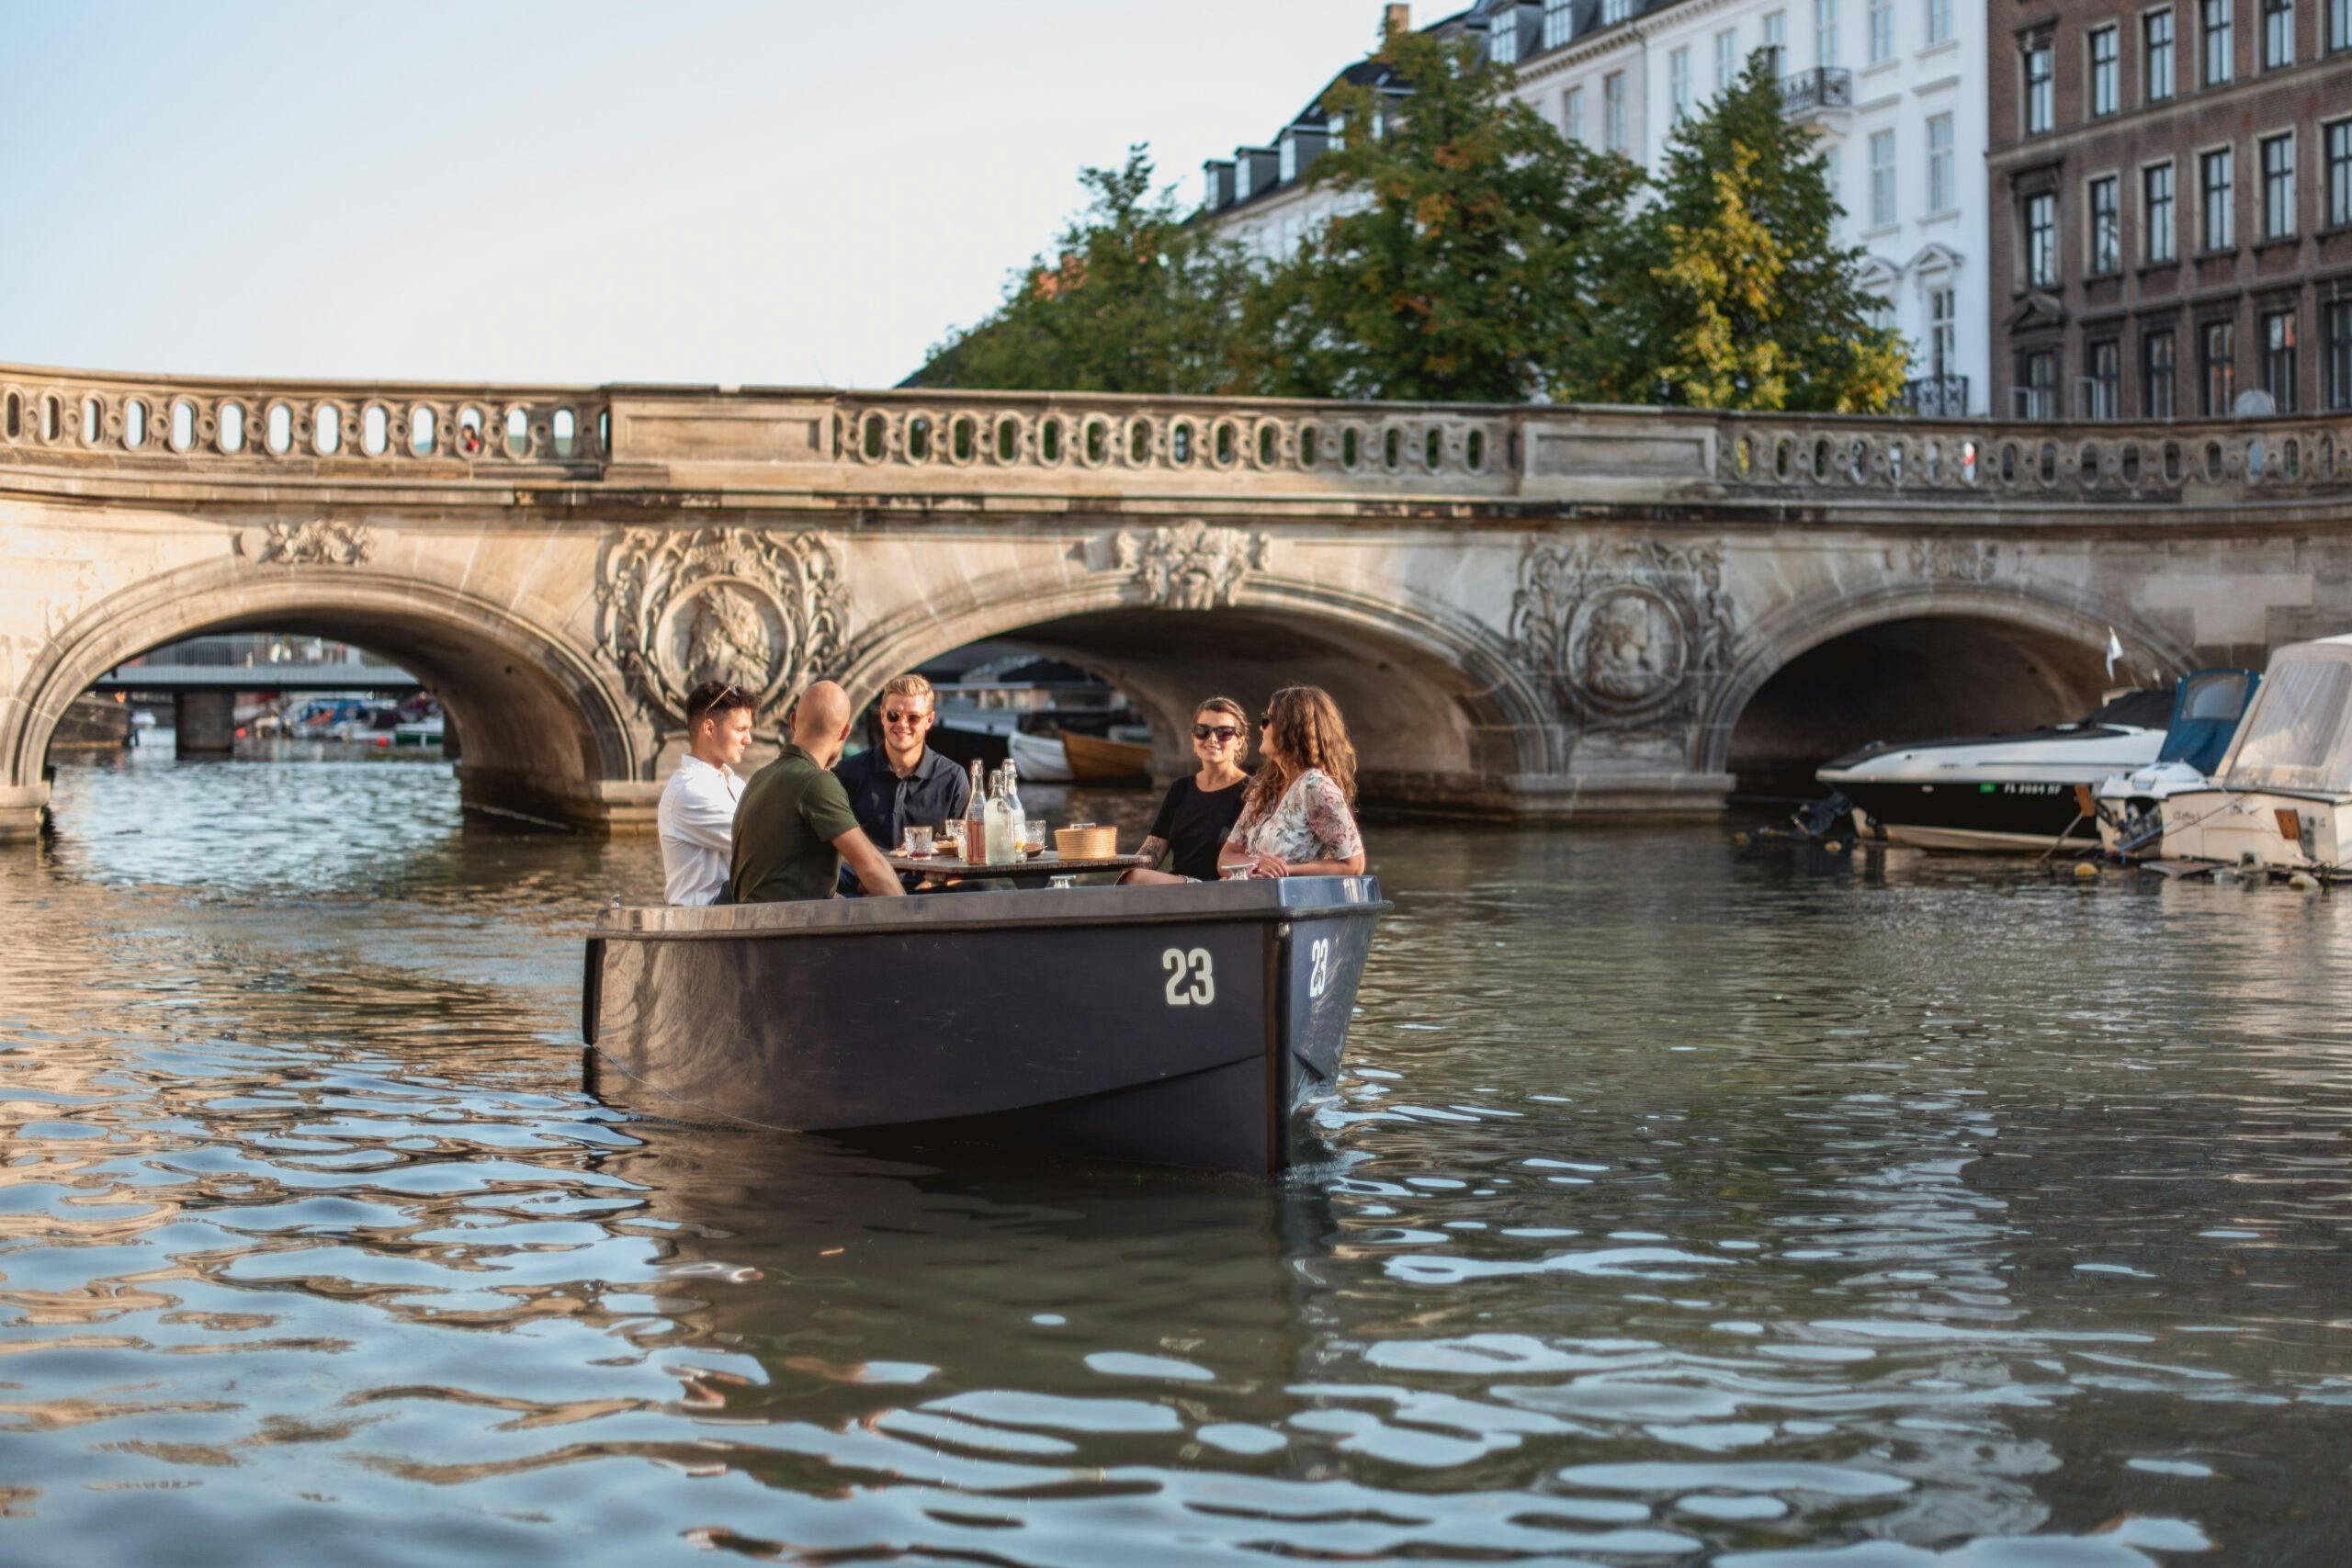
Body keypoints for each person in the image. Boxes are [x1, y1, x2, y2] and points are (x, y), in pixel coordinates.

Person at [729, 680, 905, 903]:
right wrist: (919, 929)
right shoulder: (816, 781)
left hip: (756, 926)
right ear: (845, 733)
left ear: (792, 722)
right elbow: (872, 868)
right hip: (791, 932)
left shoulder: (760, 777)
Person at [833, 672, 971, 892]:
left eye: (913, 718)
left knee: (982, 888)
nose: (902, 724)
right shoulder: (848, 773)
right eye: (893, 715)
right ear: (882, 716)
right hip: (860, 889)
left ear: (929, 720)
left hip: (930, 890)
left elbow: (963, 853)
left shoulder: (953, 778)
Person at [1219, 685, 1367, 879]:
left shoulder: (1316, 787)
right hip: (1252, 899)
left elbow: (1354, 865)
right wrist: (1256, 865)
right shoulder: (1264, 788)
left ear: (1291, 729)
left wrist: (1284, 871)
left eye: (1267, 720)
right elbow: (1225, 859)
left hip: (1287, 901)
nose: (1261, 727)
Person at [1120, 696, 1252, 885]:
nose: (1212, 739)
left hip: (1221, 890)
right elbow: (1151, 853)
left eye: (1224, 733)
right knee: (1131, 877)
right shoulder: (1180, 789)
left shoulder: (1253, 791)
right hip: (1179, 889)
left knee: (1134, 878)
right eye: (1202, 731)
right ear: (1193, 738)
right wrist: (1122, 878)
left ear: (1239, 741)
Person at [656, 679, 756, 906]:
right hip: (704, 911)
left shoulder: (736, 783)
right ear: (709, 728)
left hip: (730, 903)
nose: (748, 740)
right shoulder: (689, 789)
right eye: (741, 729)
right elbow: (756, 841)